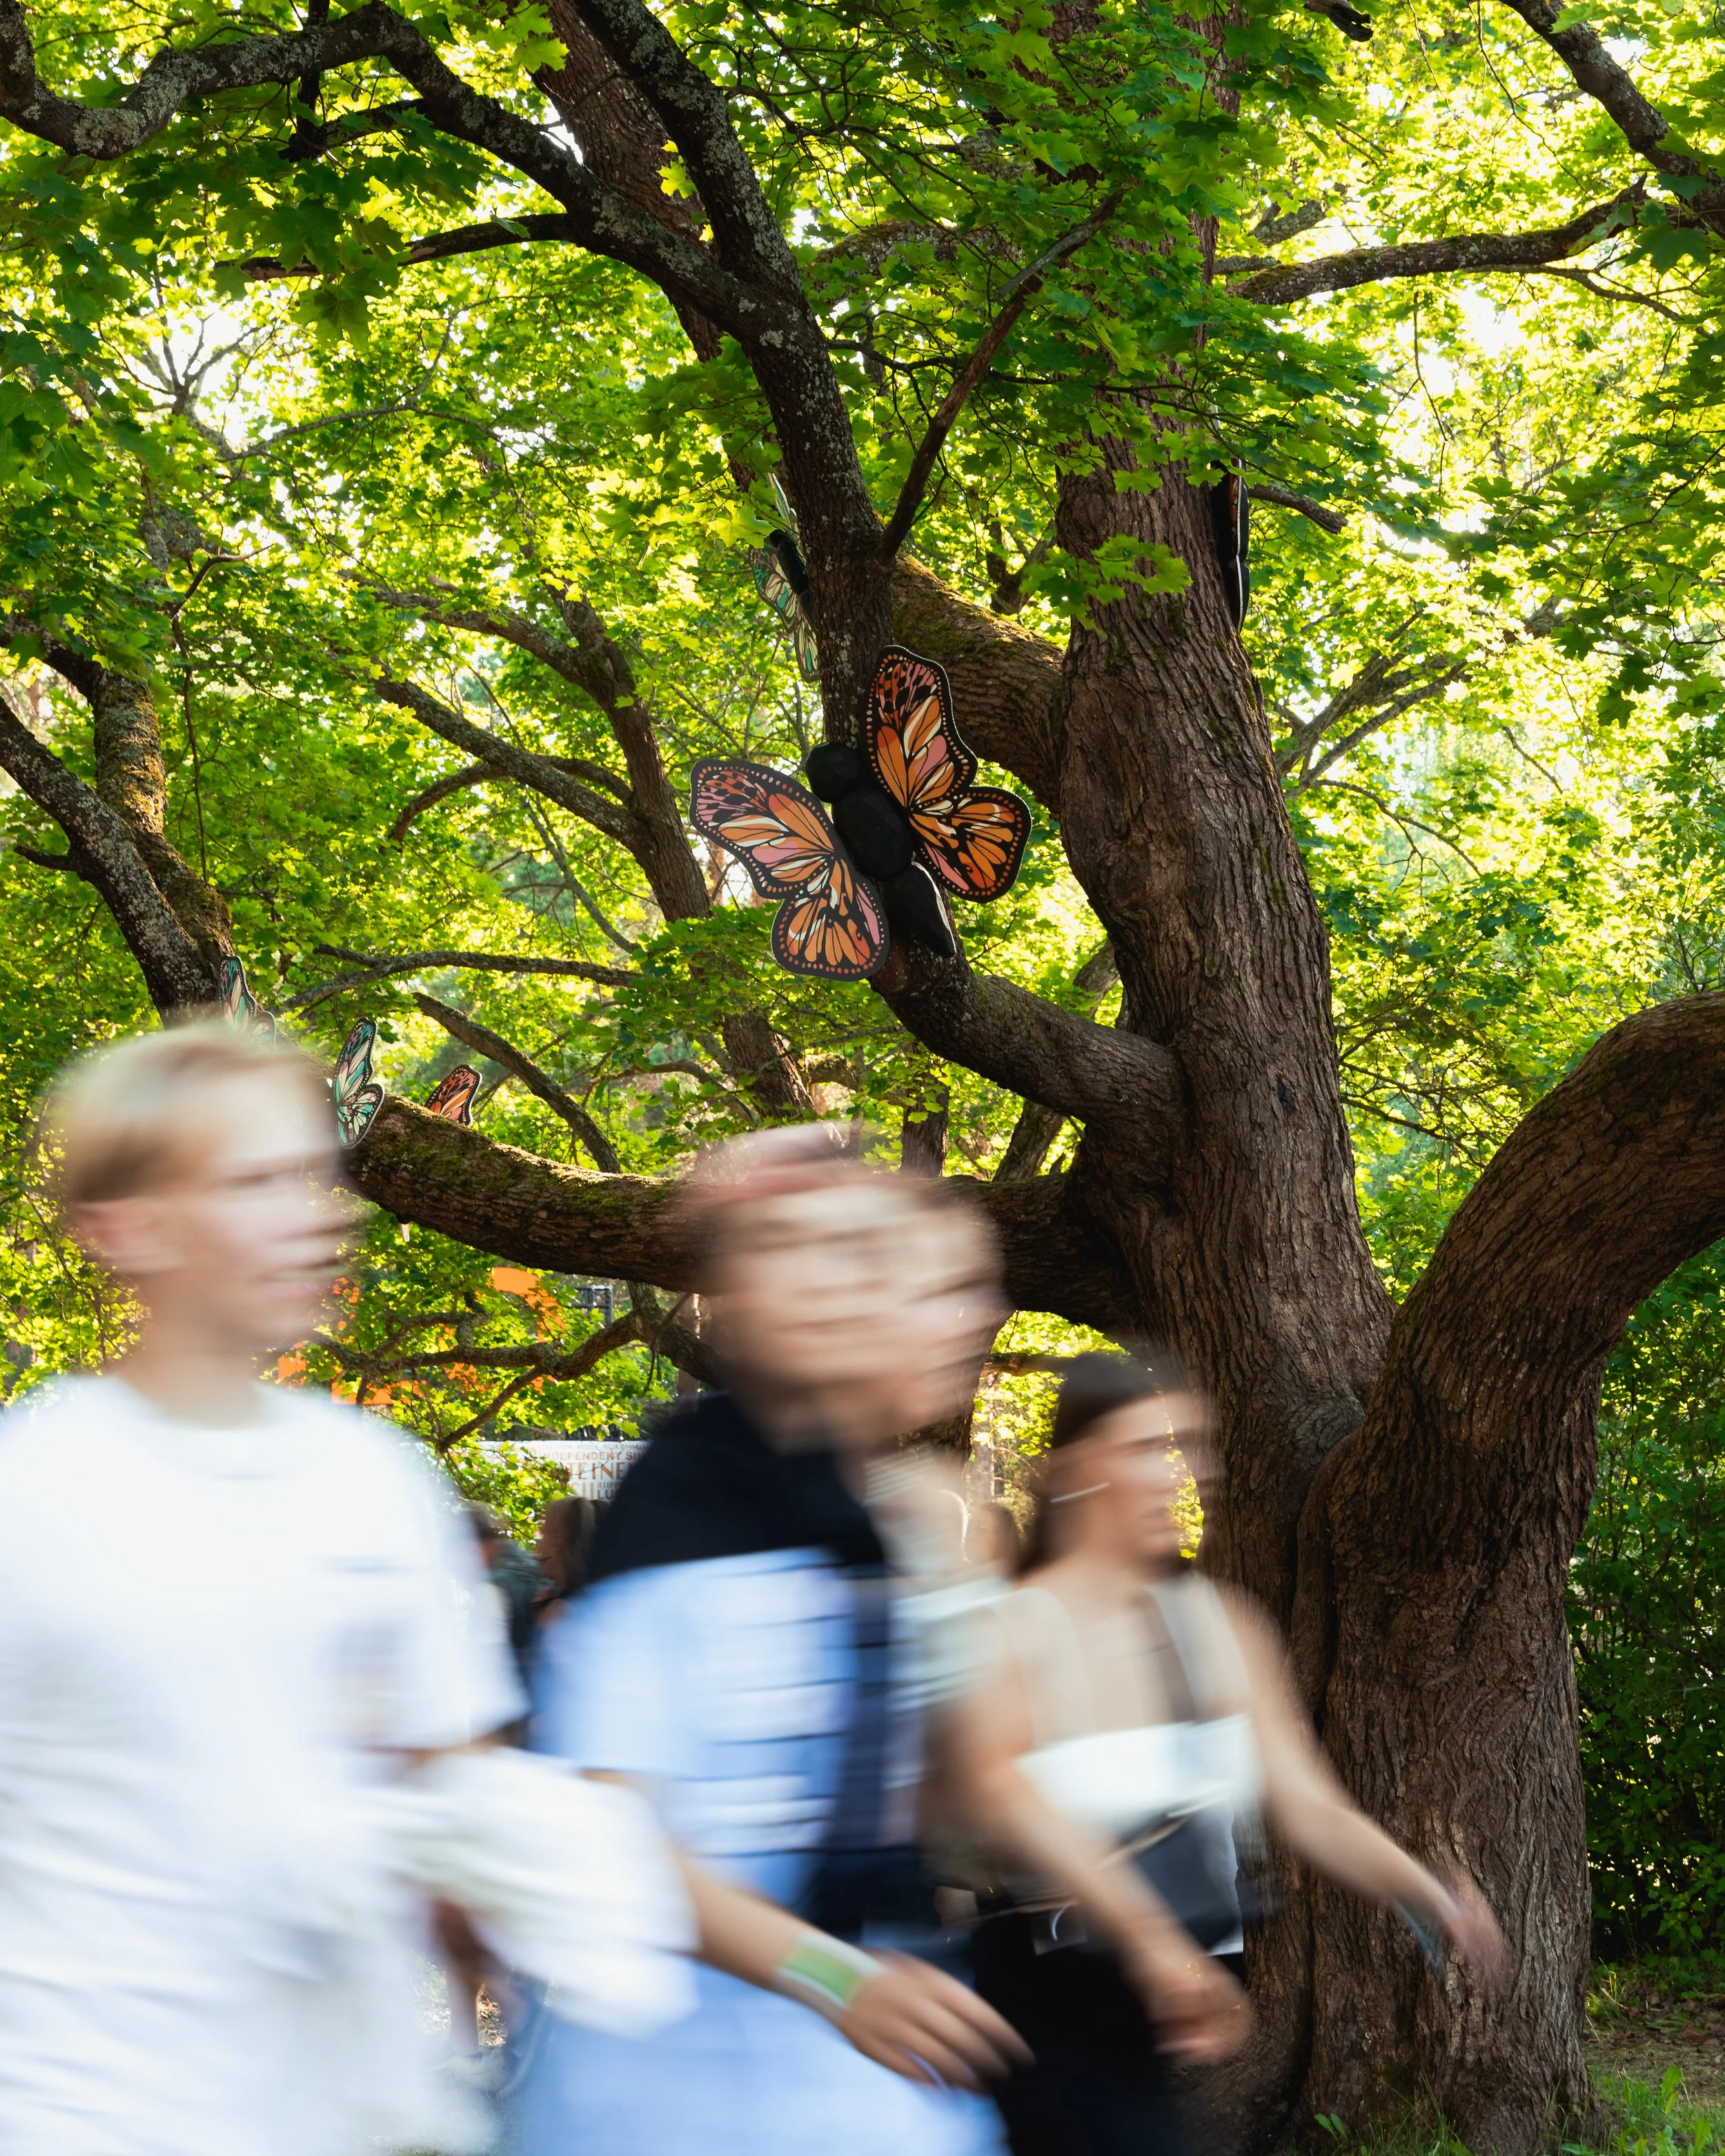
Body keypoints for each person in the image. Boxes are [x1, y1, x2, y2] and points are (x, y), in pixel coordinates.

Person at [0, 1024, 709, 2156]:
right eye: (257, 1182)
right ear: (126, 1226)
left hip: (354, 2117)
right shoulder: (30, 1494)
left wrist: (558, 1893)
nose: (318, 1212)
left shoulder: (376, 1479)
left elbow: (458, 1810)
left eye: (314, 1174)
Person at [509, 1125, 1027, 2156]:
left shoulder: (881, 1533)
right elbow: (623, 1846)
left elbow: (959, 1796)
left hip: (869, 2099)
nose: (975, 1317)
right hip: (676, 2105)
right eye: (932, 1287)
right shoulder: (683, 1528)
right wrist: (842, 1981)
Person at [948, 1352, 1506, 2156]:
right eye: (1148, 1446)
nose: (1188, 1470)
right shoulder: (1008, 1633)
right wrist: (1154, 1947)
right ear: (1071, 1468)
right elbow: (1012, 1805)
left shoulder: (1217, 1623)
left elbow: (1307, 1802)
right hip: (1043, 2025)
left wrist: (1429, 1895)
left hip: (1173, 2023)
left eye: (1191, 1446)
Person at [533, 1492, 597, 1611]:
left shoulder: (559, 1611)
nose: (537, 1547)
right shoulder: (588, 1595)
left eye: (542, 1535)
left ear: (559, 1540)